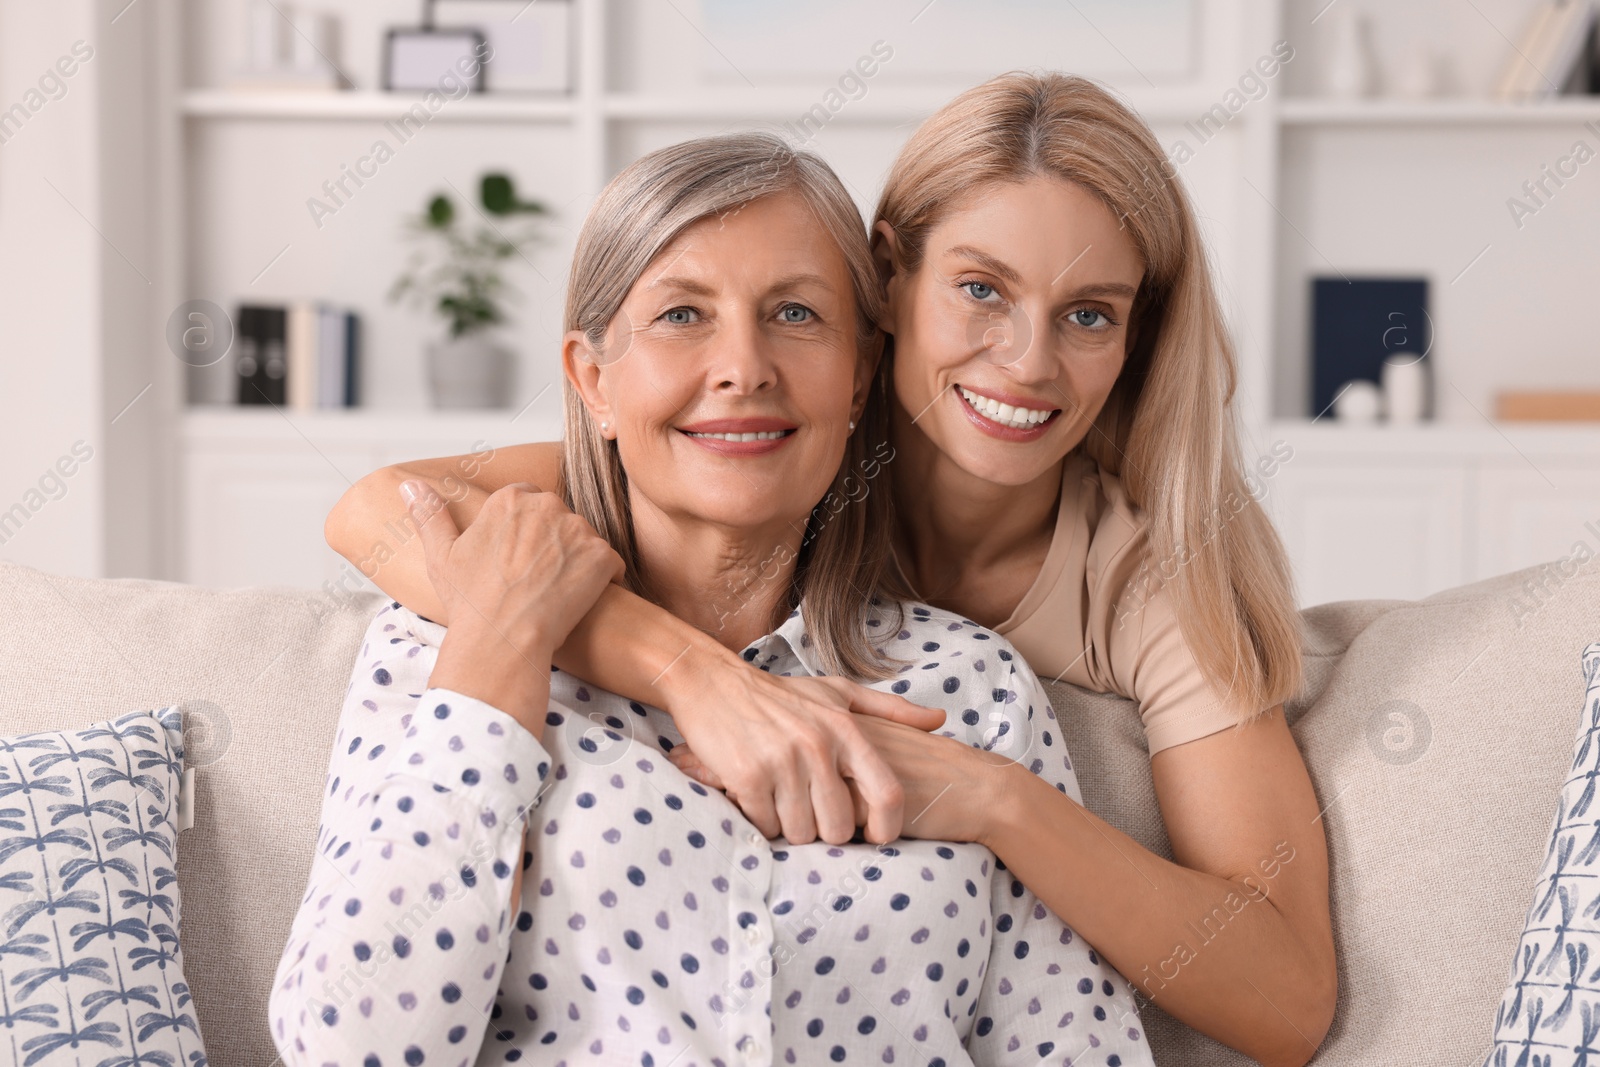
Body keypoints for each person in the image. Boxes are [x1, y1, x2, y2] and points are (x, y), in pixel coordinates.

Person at [325, 74, 1335, 1064]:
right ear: (888, 282)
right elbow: (385, 511)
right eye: (981, 289)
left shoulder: (1111, 602)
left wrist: (992, 798)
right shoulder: (743, 446)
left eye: (1087, 314)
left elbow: (1274, 999)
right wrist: (700, 678)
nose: (1027, 363)